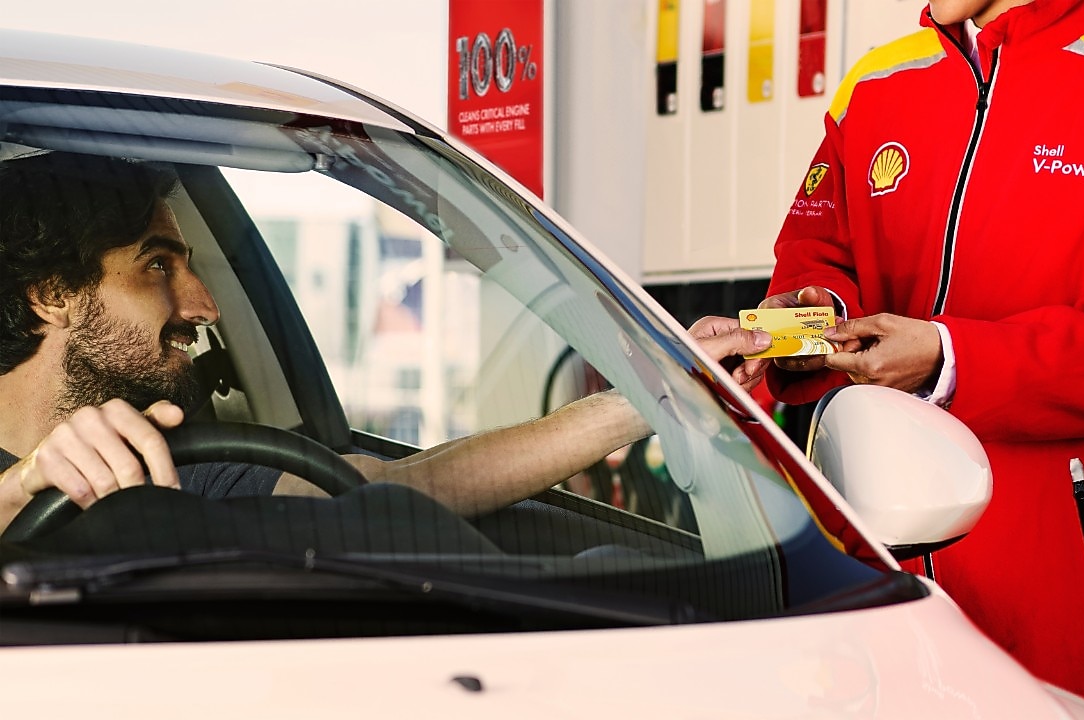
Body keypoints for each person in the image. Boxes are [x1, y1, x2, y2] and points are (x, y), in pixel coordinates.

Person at [746, 0, 1084, 717]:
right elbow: (818, 258)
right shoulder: (875, 84)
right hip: (897, 623)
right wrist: (787, 337)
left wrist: (946, 359)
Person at [0, 151, 771, 532]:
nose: (202, 304)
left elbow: (395, 492)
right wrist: (25, 486)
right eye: (157, 268)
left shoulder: (177, 461)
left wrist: (651, 393)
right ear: (54, 294)